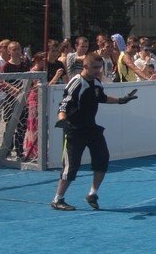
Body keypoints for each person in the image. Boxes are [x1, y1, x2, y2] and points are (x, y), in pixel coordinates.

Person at [50, 52, 138, 211]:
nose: (98, 71)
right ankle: (58, 199)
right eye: (95, 68)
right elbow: (64, 105)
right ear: (85, 67)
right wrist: (62, 119)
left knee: (102, 158)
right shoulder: (77, 83)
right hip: (74, 130)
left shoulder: (97, 82)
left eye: (100, 67)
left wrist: (120, 100)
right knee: (71, 166)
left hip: (91, 128)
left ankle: (92, 193)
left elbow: (101, 97)